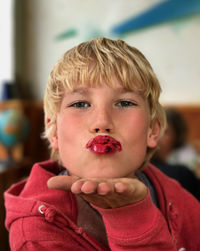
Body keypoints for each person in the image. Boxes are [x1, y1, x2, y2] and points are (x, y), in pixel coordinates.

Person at [4, 38, 200, 251]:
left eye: (124, 103)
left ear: (152, 130)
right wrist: (131, 218)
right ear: (53, 130)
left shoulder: (177, 196)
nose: (102, 122)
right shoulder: (36, 233)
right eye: (80, 104)